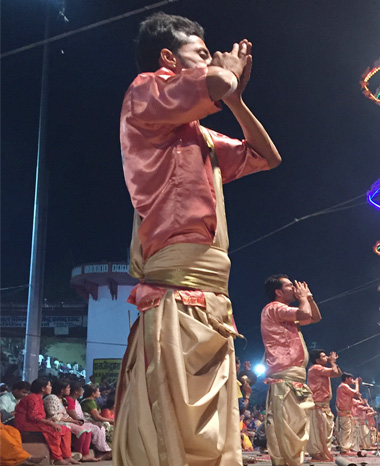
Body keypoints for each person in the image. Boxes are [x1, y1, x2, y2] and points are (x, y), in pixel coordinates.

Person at [113, 11, 281, 466]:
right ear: (168, 57)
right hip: (176, 284)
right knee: (176, 429)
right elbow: (214, 84)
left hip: (212, 291)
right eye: (202, 53)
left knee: (211, 431)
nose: (212, 61)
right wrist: (224, 76)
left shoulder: (201, 135)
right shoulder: (144, 91)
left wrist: (237, 101)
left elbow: (267, 156)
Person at [261, 275, 321, 466]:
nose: (294, 288)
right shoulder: (274, 308)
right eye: (289, 286)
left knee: (295, 424)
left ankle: (293, 461)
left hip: (293, 377)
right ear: (278, 292)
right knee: (285, 425)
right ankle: (287, 462)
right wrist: (303, 298)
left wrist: (309, 298)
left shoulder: (287, 314)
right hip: (284, 376)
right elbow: (304, 314)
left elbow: (315, 317)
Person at [13, 379, 78, 465]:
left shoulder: (38, 398)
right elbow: (33, 416)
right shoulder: (33, 397)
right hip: (25, 424)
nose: (51, 387)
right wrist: (51, 423)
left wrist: (50, 422)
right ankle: (57, 458)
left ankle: (67, 456)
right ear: (43, 388)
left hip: (34, 423)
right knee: (54, 430)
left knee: (66, 430)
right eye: (49, 385)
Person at [43, 381, 98, 462]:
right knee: (81, 431)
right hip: (56, 421)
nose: (69, 389)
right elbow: (54, 416)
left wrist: (74, 421)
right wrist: (72, 421)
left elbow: (65, 414)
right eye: (68, 388)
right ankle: (78, 454)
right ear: (62, 389)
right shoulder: (52, 398)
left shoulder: (62, 399)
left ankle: (85, 454)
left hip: (64, 420)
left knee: (88, 430)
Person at [306, 349, 341, 462]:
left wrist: (332, 363)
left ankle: (322, 453)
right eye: (323, 356)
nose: (326, 357)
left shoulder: (321, 369)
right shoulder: (316, 368)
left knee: (325, 431)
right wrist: (333, 362)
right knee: (318, 431)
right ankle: (318, 454)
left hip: (324, 406)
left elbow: (338, 373)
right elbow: (335, 373)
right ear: (317, 360)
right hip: (318, 405)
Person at [65, 384, 111, 459]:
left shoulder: (76, 400)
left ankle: (92, 452)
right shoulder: (71, 400)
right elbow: (73, 413)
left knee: (99, 427)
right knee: (95, 428)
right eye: (98, 391)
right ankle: (103, 451)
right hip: (74, 421)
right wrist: (80, 421)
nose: (83, 391)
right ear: (76, 391)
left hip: (80, 420)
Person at [335, 374, 361, 454]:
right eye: (351, 378)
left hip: (346, 413)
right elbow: (356, 393)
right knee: (346, 431)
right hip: (344, 413)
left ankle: (346, 448)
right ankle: (345, 449)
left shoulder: (345, 387)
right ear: (346, 378)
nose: (352, 380)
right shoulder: (344, 386)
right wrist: (356, 384)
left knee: (347, 431)